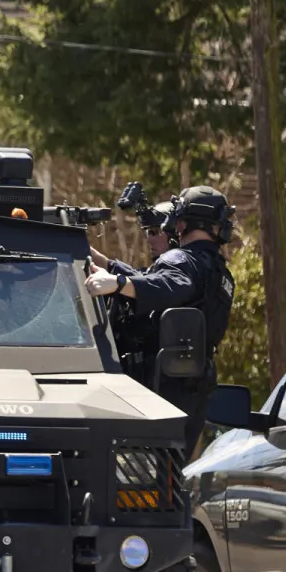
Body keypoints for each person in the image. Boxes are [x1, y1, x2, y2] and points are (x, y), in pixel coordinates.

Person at [84, 186, 235, 445]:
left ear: (182, 223)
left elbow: (169, 285)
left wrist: (119, 284)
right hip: (192, 388)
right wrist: (105, 264)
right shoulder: (217, 271)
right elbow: (153, 279)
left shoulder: (183, 260)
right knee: (172, 468)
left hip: (157, 393)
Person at [89, 201, 174, 387]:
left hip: (159, 385)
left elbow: (148, 285)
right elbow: (135, 277)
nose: (149, 239)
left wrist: (117, 281)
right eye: (147, 232)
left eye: (155, 232)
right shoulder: (154, 274)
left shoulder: (177, 281)